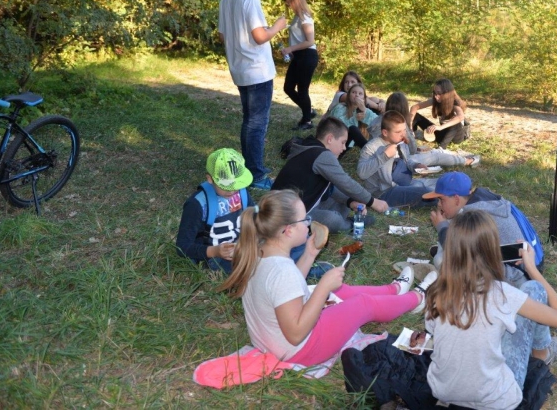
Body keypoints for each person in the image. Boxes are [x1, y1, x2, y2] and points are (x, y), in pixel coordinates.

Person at [218, 190, 438, 367]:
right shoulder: (281, 271)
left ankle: (394, 291)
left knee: (339, 291)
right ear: (288, 230)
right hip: (300, 349)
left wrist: (309, 254)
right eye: (305, 219)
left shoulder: (260, 253)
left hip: (274, 342)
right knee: (362, 304)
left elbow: (286, 291)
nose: (309, 223)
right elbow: (296, 333)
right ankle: (417, 298)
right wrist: (323, 287)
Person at [424, 210, 557, 410]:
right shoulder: (502, 294)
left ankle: (540, 354)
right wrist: (532, 269)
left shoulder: (436, 291)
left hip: (444, 391)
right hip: (495, 401)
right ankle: (542, 355)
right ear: (493, 250)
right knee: (534, 289)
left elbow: (436, 332)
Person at [218, 0, 287, 189]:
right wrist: (277, 27)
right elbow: (259, 36)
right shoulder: (250, 0)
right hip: (257, 71)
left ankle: (251, 168)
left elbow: (222, 35)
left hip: (239, 70)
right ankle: (256, 176)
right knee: (257, 124)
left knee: (249, 121)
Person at [424, 171, 543, 287]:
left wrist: (441, 226)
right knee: (449, 230)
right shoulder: (483, 200)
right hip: (528, 261)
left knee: (441, 260)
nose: (438, 204)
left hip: (517, 275)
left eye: (441, 199)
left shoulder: (473, 215)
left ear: (456, 199)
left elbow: (458, 253)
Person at [271, 117, 389, 233]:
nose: (344, 148)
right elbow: (346, 182)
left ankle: (339, 218)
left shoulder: (310, 148)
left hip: (303, 203)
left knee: (346, 200)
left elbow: (330, 188)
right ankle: (349, 224)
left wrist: (350, 201)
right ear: (330, 139)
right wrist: (372, 201)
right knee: (333, 219)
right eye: (343, 142)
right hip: (290, 214)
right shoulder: (322, 155)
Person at [175, 148, 253, 274]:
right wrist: (214, 251)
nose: (232, 190)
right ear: (210, 179)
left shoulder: (242, 192)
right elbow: (182, 246)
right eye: (226, 185)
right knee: (248, 272)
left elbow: (255, 218)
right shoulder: (197, 204)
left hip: (241, 247)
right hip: (215, 256)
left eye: (237, 184)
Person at [369, 92, 480, 168]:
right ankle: (466, 161)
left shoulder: (376, 121)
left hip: (380, 160)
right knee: (435, 156)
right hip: (398, 162)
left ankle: (460, 156)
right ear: (404, 108)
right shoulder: (400, 124)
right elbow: (412, 150)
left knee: (433, 152)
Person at [357, 111, 437, 208]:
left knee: (440, 182)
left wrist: (416, 166)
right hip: (383, 193)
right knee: (427, 193)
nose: (403, 134)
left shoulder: (399, 141)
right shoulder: (371, 147)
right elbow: (361, 173)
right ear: (385, 132)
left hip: (403, 183)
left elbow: (407, 160)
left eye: (404, 130)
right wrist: (385, 156)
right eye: (398, 132)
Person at [280, 0, 318, 131]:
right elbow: (298, 39)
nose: (287, 4)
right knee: (288, 87)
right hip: (299, 56)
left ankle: (307, 121)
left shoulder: (305, 17)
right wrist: (290, 51)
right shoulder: (297, 17)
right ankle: (308, 111)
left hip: (308, 56)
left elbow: (310, 41)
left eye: (288, 0)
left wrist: (291, 49)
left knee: (302, 89)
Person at [409, 78, 468, 149]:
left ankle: (441, 148)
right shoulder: (436, 100)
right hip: (443, 134)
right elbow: (414, 107)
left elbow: (460, 116)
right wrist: (410, 124)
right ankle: (411, 136)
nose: (436, 96)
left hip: (456, 137)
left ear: (447, 93)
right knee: (416, 116)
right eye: (434, 93)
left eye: (439, 93)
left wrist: (440, 127)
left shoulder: (455, 103)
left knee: (456, 123)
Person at [328, 84, 378, 149]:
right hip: (336, 140)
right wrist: (354, 118)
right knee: (353, 129)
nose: (357, 95)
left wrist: (365, 111)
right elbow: (340, 128)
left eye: (360, 94)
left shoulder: (364, 110)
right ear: (349, 95)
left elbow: (378, 122)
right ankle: (368, 151)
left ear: (364, 98)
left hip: (349, 144)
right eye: (354, 92)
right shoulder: (340, 107)